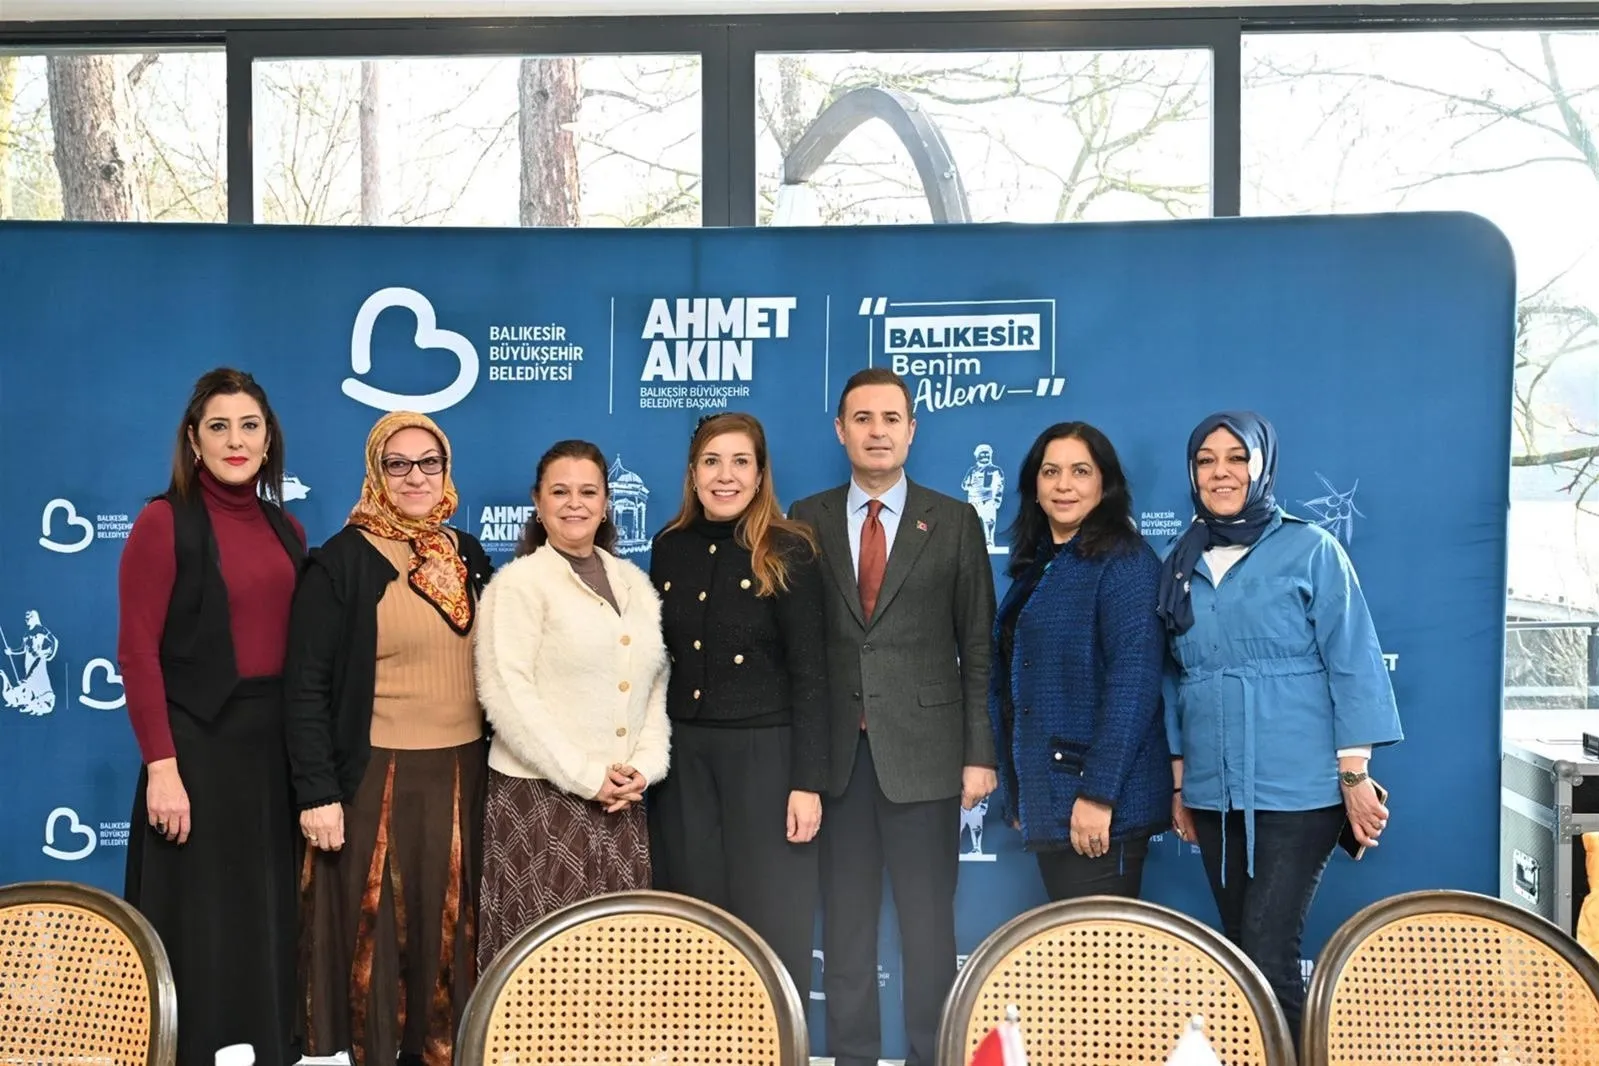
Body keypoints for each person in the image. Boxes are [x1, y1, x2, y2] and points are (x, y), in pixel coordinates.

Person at [1160, 411, 1403, 1044]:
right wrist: (1180, 781)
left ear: (1262, 466)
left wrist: (1355, 775)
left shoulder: (1312, 549)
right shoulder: (1178, 560)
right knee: (1239, 957)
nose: (1221, 472)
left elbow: (1353, 660)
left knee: (1268, 955)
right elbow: (1170, 680)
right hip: (1213, 791)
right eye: (1206, 460)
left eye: (1237, 458)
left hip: (1300, 790)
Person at [788, 368, 996, 1066]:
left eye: (890, 419)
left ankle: (929, 1055)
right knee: (845, 931)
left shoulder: (955, 521)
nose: (876, 432)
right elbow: (799, 648)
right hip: (838, 763)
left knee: (928, 932)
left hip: (928, 760)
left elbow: (977, 646)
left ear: (911, 430)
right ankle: (852, 1056)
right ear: (839, 430)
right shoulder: (806, 518)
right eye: (862, 418)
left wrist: (979, 753)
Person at [285, 411, 493, 1066]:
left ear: (446, 469)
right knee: (379, 945)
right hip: (378, 777)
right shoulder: (340, 562)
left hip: (464, 771)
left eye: (429, 462)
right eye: (396, 464)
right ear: (376, 472)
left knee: (451, 934)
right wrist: (317, 793)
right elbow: (305, 688)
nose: (415, 477)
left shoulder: (466, 554)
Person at [118, 367, 305, 1066]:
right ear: (194, 441)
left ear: (268, 440)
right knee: (196, 929)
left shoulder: (288, 527)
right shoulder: (162, 522)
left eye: (249, 426)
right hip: (194, 750)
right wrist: (162, 769)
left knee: (265, 923)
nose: (236, 440)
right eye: (219, 426)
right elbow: (137, 653)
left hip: (270, 757)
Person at [648, 412, 829, 997]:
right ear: (693, 474)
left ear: (759, 474)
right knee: (690, 921)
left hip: (767, 758)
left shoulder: (790, 548)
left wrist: (807, 782)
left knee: (773, 919)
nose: (725, 476)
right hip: (684, 760)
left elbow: (812, 673)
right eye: (712, 462)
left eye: (740, 462)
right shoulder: (668, 547)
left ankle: (780, 1039)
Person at [473, 439, 671, 970]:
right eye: (560, 492)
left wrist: (645, 767)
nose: (575, 503)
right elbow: (508, 696)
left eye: (588, 492)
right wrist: (586, 776)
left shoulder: (634, 583)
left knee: (616, 965)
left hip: (620, 803)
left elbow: (654, 684)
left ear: (606, 503)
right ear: (538, 503)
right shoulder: (518, 584)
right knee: (543, 967)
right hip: (540, 801)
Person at [989, 422, 1169, 901]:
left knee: (1101, 948)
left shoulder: (1126, 563)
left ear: (1104, 484)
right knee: (1073, 946)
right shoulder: (1041, 565)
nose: (1063, 484)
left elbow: (1133, 686)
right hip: (1054, 798)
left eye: (1080, 471)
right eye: (1050, 472)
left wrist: (1098, 794)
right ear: (1034, 485)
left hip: (1099, 809)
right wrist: (1024, 790)